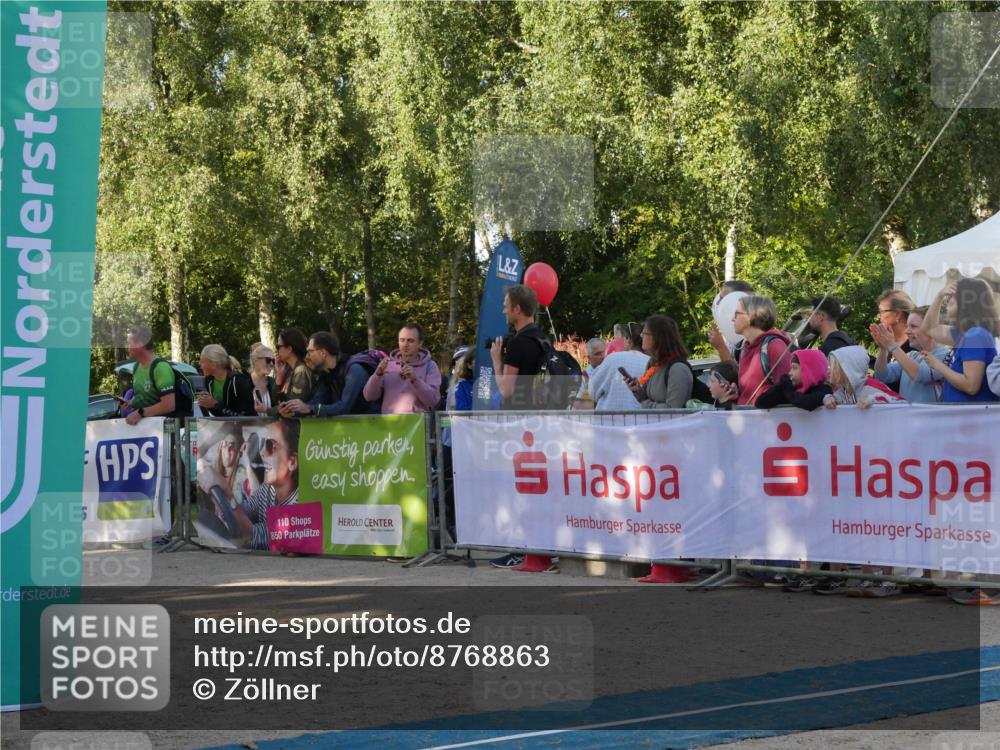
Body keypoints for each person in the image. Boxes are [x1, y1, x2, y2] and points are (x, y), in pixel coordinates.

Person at [919, 279, 1000, 403]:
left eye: (953, 296)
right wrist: (939, 296)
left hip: (970, 413)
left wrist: (937, 365)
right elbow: (929, 328)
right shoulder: (966, 333)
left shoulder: (975, 335)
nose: (948, 300)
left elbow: (971, 386)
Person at [235, 420, 300, 550]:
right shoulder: (267, 489)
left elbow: (253, 535)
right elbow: (245, 509)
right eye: (263, 444)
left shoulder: (300, 504)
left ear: (292, 462)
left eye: (270, 445)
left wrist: (226, 494)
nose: (262, 452)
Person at [284, 331, 379, 417]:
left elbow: (344, 407)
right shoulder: (327, 373)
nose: (307, 356)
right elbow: (317, 402)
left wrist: (310, 408)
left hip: (374, 428)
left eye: (310, 351)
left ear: (322, 353)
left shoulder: (355, 370)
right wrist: (292, 410)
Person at [723, 295, 793, 406]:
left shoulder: (774, 346)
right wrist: (738, 395)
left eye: (737, 314)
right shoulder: (745, 348)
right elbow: (750, 393)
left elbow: (788, 392)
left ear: (750, 316)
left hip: (767, 417)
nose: (732, 319)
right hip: (748, 416)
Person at [871, 306, 950, 403]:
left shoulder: (946, 355)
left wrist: (892, 345)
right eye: (907, 326)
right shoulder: (912, 355)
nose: (907, 331)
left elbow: (920, 374)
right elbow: (882, 376)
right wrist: (883, 349)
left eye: (913, 326)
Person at [490, 284, 547, 411]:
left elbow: (505, 390)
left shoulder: (517, 343)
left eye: (506, 307)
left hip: (517, 416)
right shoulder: (544, 339)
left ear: (517, 309)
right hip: (538, 414)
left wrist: (497, 362)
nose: (504, 311)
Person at [363, 323, 442, 414]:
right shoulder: (387, 364)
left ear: (420, 343)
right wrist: (377, 375)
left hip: (418, 422)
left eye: (410, 341)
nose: (405, 344)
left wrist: (415, 380)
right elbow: (369, 396)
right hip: (390, 422)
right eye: (402, 340)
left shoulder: (430, 366)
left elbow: (433, 401)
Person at [624, 315, 693, 409]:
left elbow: (672, 410)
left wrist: (645, 404)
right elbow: (646, 399)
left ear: (657, 338)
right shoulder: (652, 363)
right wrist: (637, 390)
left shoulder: (678, 369)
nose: (641, 335)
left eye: (645, 333)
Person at [123, 326, 176, 426]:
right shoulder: (136, 367)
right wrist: (130, 402)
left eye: (129, 343)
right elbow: (143, 396)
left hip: (163, 428)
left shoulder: (160, 367)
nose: (127, 347)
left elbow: (169, 405)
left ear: (140, 344)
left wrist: (140, 413)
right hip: (144, 428)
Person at [822, 345, 905, 409]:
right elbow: (833, 401)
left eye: (833, 367)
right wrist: (828, 399)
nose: (828, 370)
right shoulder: (841, 391)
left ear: (848, 369)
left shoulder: (872, 386)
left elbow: (901, 402)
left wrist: (873, 400)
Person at [588, 322, 647, 411]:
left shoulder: (612, 358)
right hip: (642, 418)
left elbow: (592, 391)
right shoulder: (652, 362)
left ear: (628, 340)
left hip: (609, 418)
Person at [755, 350, 832, 411]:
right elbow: (760, 402)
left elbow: (806, 402)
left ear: (809, 371)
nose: (790, 373)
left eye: (794, 368)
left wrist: (787, 388)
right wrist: (780, 385)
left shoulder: (823, 390)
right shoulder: (792, 388)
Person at [872, 289, 916, 392]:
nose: (878, 316)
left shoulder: (914, 346)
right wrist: (882, 349)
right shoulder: (888, 343)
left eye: (882, 312)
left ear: (897, 315)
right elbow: (880, 377)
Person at [196, 344, 256, 417]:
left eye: (202, 361)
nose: (199, 364)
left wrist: (215, 405)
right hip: (224, 424)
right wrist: (207, 405)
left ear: (213, 364)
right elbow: (219, 414)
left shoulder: (238, 381)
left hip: (246, 424)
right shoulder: (209, 381)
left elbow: (247, 416)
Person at [708, 280, 756, 362]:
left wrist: (721, 348)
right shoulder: (732, 332)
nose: (718, 303)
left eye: (723, 299)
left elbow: (737, 370)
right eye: (719, 298)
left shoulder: (755, 338)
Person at [270, 328, 314, 415]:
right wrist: (278, 380)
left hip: (299, 422)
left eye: (278, 346)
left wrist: (266, 410)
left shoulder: (300, 371)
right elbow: (276, 401)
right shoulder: (287, 371)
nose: (277, 350)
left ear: (289, 349)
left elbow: (291, 408)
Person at [572, 338, 607, 409]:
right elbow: (576, 404)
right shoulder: (586, 375)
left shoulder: (612, 367)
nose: (603, 357)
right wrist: (598, 403)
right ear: (589, 358)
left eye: (604, 352)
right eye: (598, 354)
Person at [249, 344, 278, 415]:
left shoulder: (274, 383)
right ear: (255, 360)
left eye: (273, 361)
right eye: (268, 360)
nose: (271, 364)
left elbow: (283, 409)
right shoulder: (243, 383)